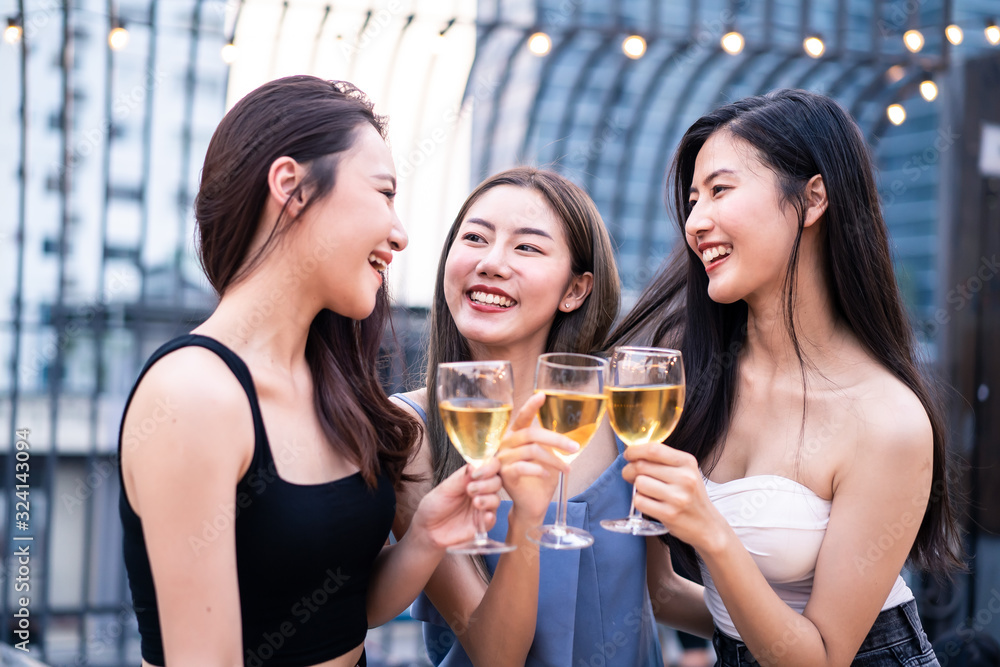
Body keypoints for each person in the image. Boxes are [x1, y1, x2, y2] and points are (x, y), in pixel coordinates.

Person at [117, 76, 503, 667]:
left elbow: (342, 611)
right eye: (384, 193)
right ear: (291, 187)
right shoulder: (194, 395)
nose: (400, 233)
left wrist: (424, 536)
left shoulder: (330, 384)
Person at [610, 88, 965, 665]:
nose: (696, 222)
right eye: (693, 200)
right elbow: (667, 594)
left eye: (720, 190)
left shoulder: (887, 419)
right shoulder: (686, 371)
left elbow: (823, 657)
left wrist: (709, 531)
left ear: (813, 197)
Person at [390, 167, 666, 665]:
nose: (492, 263)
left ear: (576, 291)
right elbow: (497, 654)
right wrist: (529, 522)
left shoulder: (629, 416)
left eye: (527, 247)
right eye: (474, 238)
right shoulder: (409, 431)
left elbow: (664, 594)